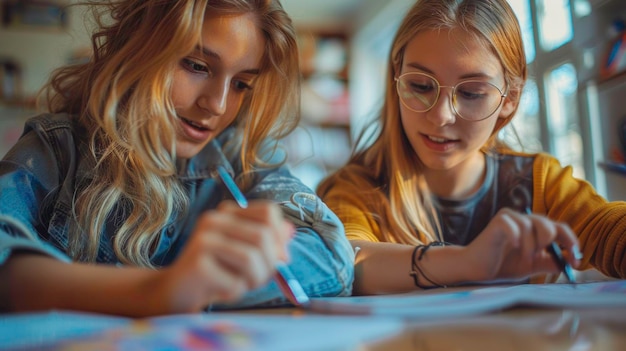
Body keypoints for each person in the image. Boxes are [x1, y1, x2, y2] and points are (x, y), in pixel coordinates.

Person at [0, 0, 354, 317]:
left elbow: (330, 256)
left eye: (242, 84)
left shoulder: (242, 157)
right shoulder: (55, 150)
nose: (216, 104)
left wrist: (202, 288)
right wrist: (160, 291)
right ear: (138, 49)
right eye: (197, 65)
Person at [318, 0, 626, 295]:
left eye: (471, 92)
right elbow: (348, 261)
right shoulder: (356, 187)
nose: (440, 116)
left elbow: (609, 230)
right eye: (421, 86)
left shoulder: (542, 184)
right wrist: (468, 263)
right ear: (396, 79)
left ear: (510, 99)